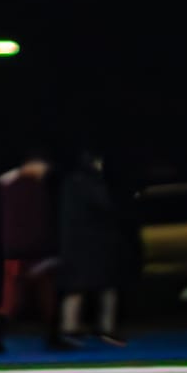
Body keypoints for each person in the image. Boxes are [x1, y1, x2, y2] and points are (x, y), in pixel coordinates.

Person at [0, 149, 57, 353]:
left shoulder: (11, 186)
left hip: (18, 249)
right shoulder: (28, 187)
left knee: (31, 296)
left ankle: (52, 336)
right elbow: (35, 221)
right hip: (28, 250)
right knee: (33, 296)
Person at [55, 147, 123, 347]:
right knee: (108, 287)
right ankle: (106, 329)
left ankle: (69, 328)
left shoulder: (69, 183)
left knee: (75, 288)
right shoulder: (92, 184)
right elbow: (106, 208)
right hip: (95, 245)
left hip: (73, 245)